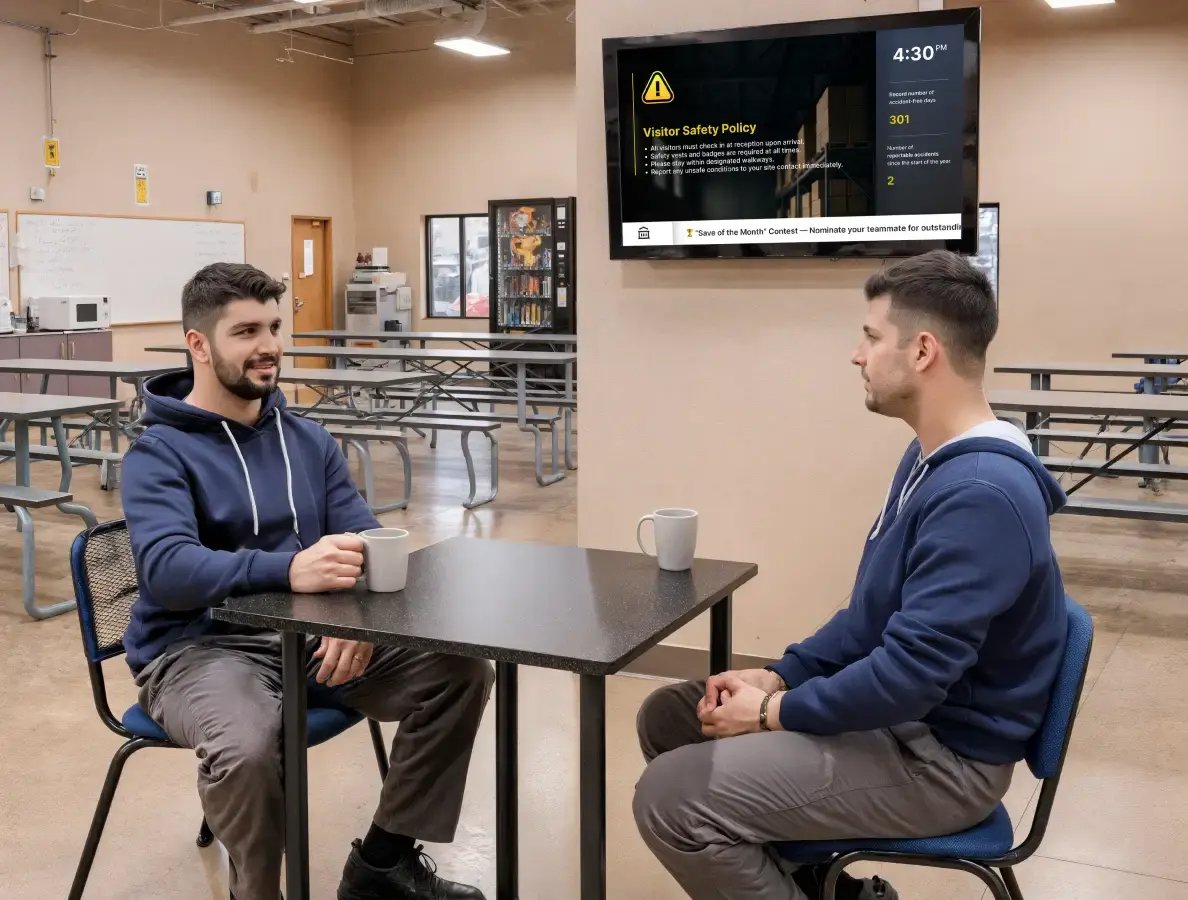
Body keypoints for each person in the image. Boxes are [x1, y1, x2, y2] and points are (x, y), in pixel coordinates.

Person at [632, 250, 1069, 900]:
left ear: (922, 351)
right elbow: (870, 619)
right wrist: (781, 674)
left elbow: (911, 676)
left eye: (870, 337)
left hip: (942, 763)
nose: (856, 355)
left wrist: (774, 713)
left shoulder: (982, 493)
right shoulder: (932, 461)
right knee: (674, 716)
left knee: (671, 800)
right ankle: (826, 890)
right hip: (912, 725)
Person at [121, 263, 493, 900]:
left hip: (311, 642)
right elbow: (168, 569)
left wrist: (357, 619)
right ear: (198, 344)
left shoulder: (309, 440)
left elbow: (364, 538)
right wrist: (288, 569)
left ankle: (382, 865)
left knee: (459, 671)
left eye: (273, 325)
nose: (268, 345)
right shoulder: (158, 452)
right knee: (245, 745)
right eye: (245, 331)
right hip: (198, 651)